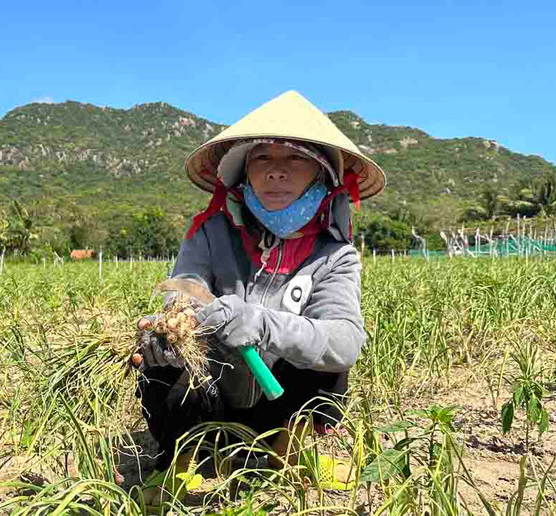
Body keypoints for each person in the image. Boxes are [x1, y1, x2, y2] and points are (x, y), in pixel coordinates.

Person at [131, 91, 385, 500]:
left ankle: (290, 450)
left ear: (321, 174)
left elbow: (345, 340)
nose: (276, 171)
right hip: (214, 394)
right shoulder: (210, 232)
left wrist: (259, 323)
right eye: (262, 157)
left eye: (296, 158)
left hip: (280, 403)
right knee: (159, 350)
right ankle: (179, 458)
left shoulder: (335, 255)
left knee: (327, 358)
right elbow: (184, 290)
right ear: (244, 171)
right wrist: (175, 328)